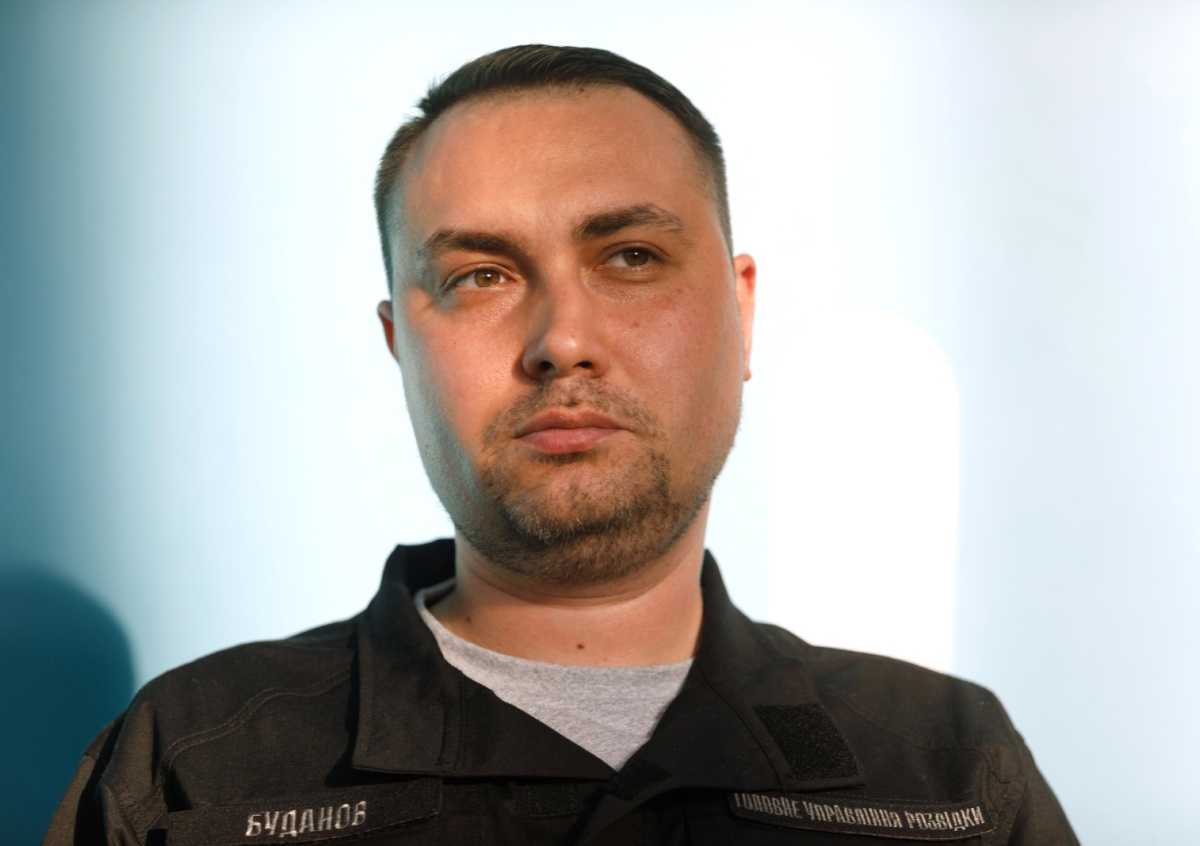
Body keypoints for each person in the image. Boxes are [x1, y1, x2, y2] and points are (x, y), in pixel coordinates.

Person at [44, 45, 1078, 845]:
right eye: (481, 276)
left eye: (631, 257)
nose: (562, 340)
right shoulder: (194, 767)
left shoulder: (948, 770)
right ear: (401, 347)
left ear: (741, 315)